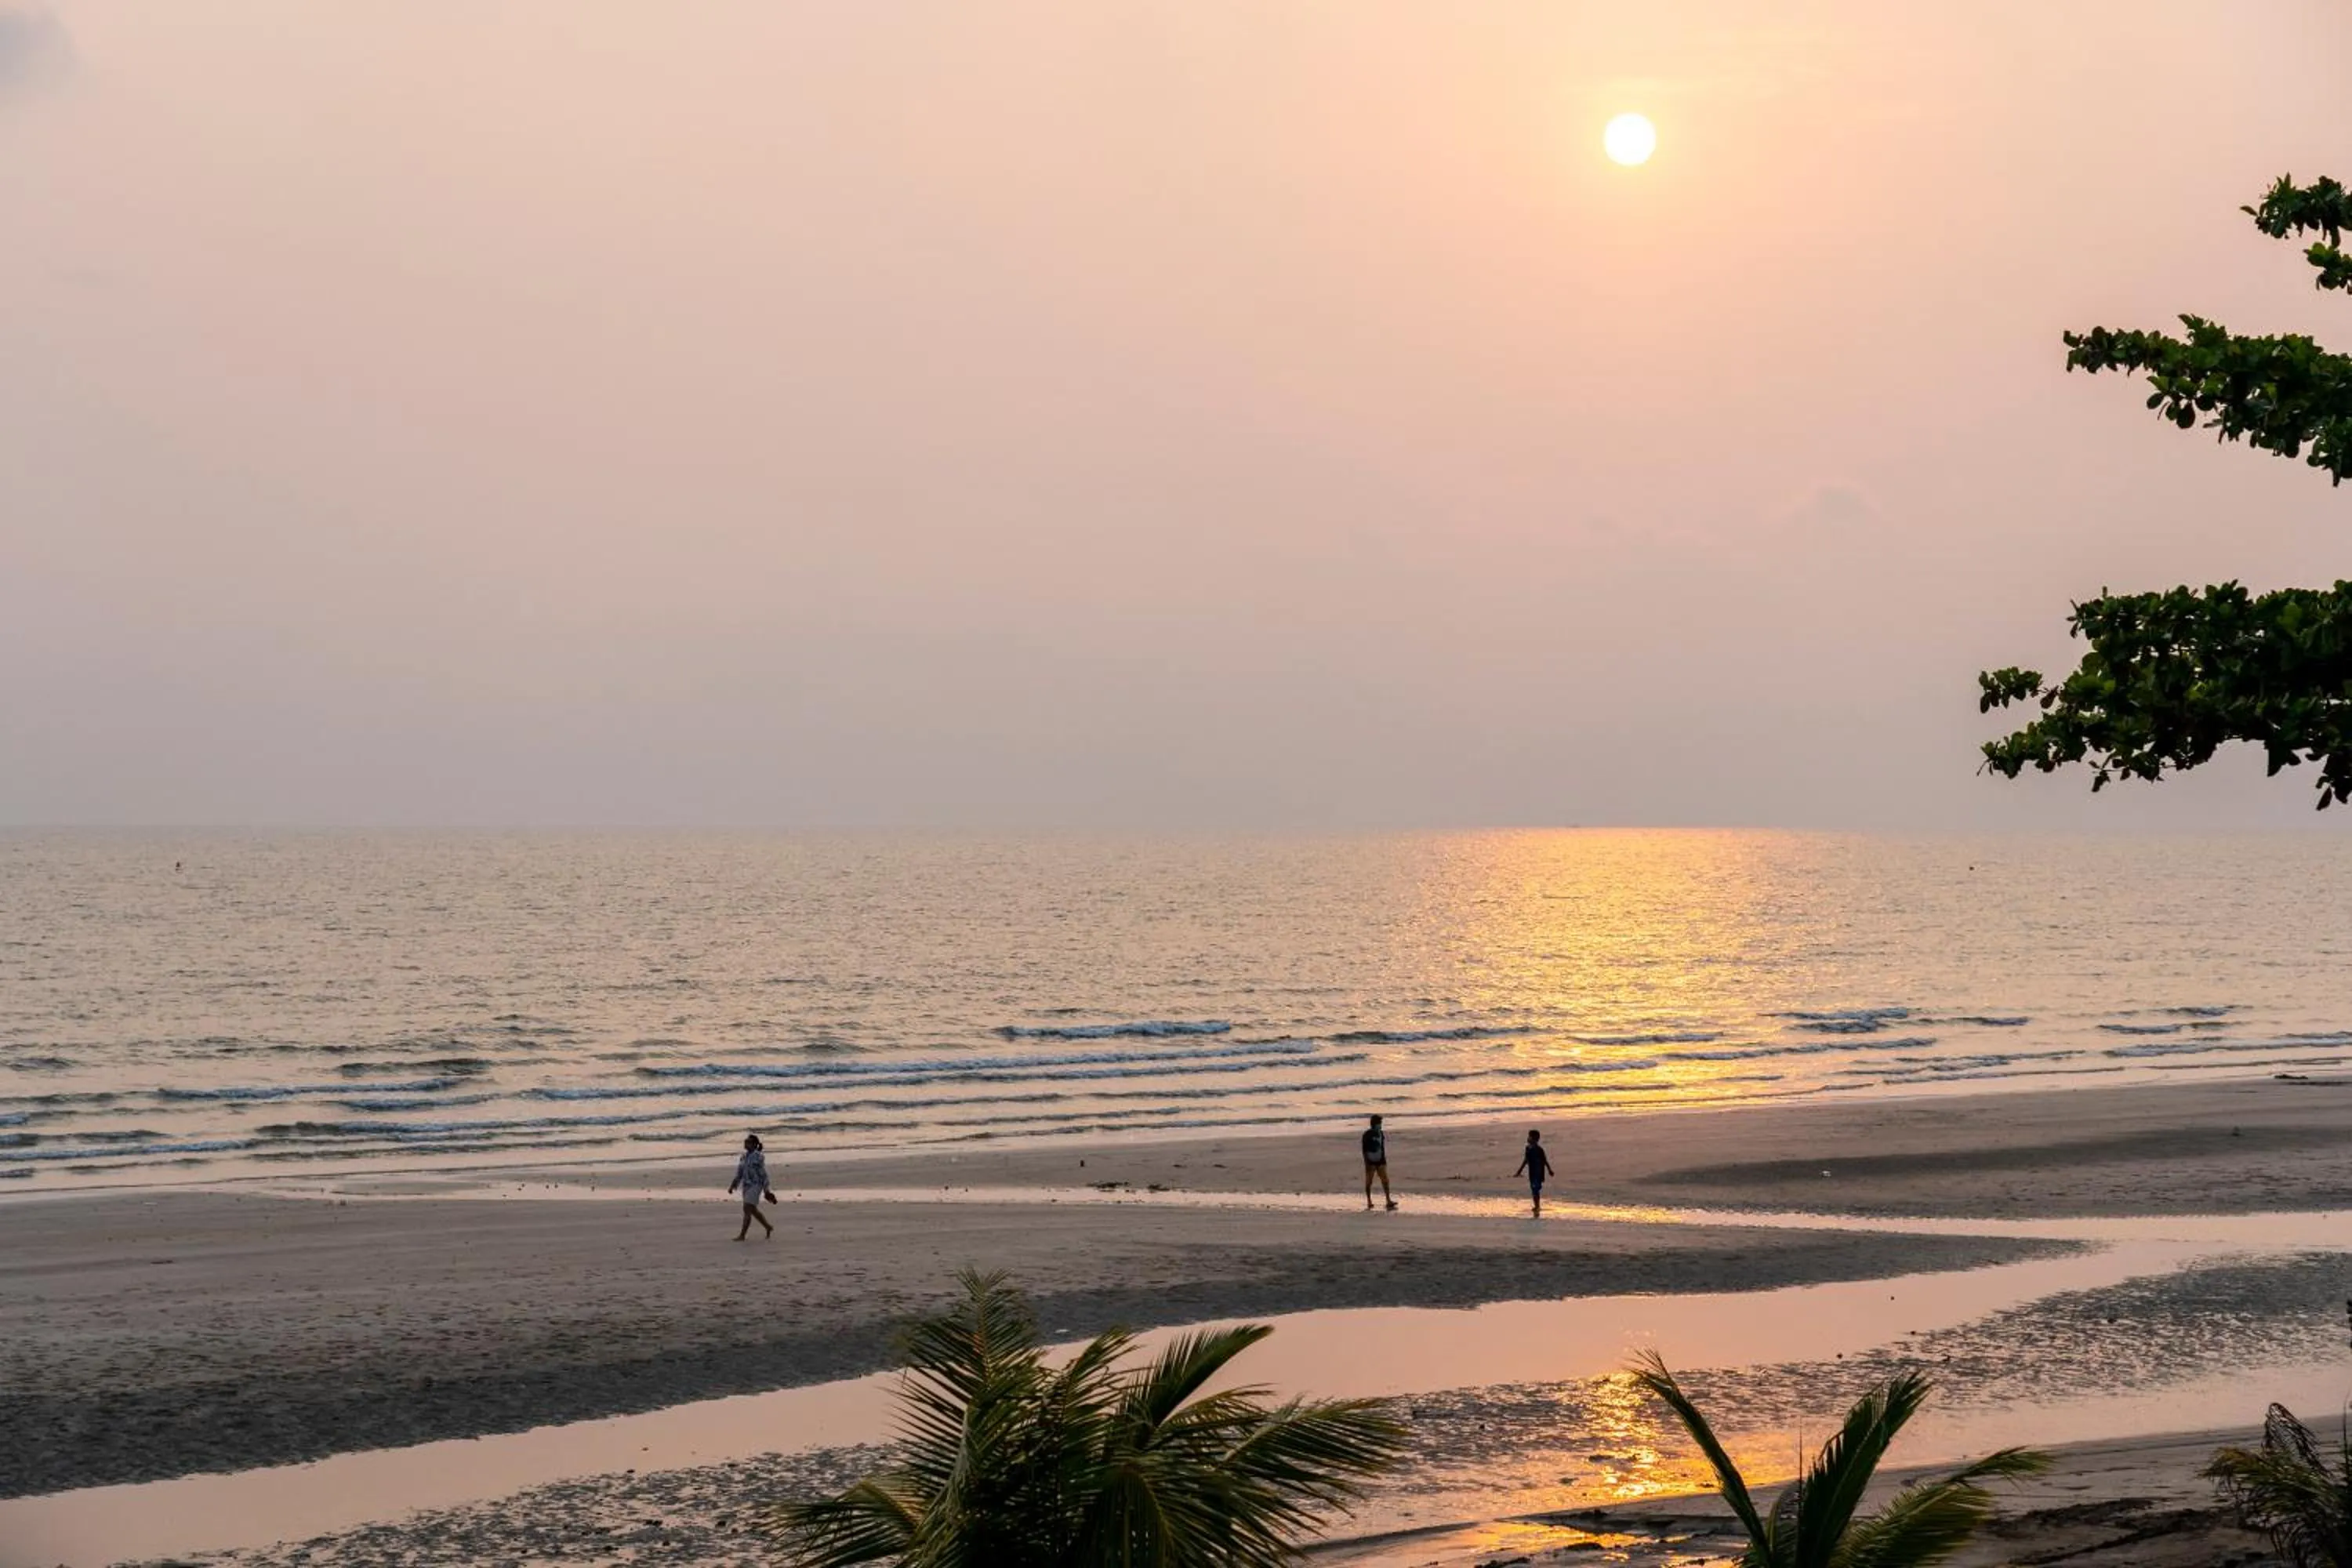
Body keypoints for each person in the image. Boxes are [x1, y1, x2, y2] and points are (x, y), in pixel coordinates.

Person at [727, 1133, 775, 1240]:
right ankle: (768, 1227)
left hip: (756, 1185)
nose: (745, 1143)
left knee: (747, 1208)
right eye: (745, 1142)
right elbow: (739, 1173)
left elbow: (763, 1174)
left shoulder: (758, 1157)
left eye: (748, 1142)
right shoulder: (743, 1157)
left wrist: (766, 1190)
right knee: (752, 1210)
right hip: (746, 1186)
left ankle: (742, 1235)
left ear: (754, 1144)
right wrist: (733, 1185)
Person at [1512, 1128, 1555, 1217]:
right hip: (1532, 1172)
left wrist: (1549, 1170)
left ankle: (1537, 1206)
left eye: (1530, 1137)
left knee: (1536, 1189)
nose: (1528, 1138)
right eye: (1528, 1136)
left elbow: (1544, 1160)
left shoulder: (1539, 1150)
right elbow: (1526, 1160)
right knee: (1533, 1189)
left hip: (1538, 1171)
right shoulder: (1528, 1148)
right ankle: (1537, 1205)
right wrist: (1519, 1171)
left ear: (1535, 1139)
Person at [1362, 1114, 1396, 1210]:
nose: (1380, 1125)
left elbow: (1382, 1147)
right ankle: (1369, 1201)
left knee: (1385, 1180)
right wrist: (1366, 1162)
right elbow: (1364, 1149)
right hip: (1370, 1161)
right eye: (1379, 1123)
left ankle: (1388, 1200)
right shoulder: (1367, 1135)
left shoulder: (1381, 1134)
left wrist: (1384, 1159)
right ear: (1374, 1124)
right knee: (1369, 1181)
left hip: (1380, 1160)